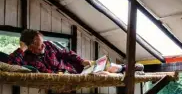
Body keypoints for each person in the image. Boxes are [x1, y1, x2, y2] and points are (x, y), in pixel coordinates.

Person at [8, 29, 144, 74]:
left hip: (74, 68)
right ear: (30, 46)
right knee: (100, 73)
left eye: (42, 43)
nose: (43, 46)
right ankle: (127, 70)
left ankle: (127, 68)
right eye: (39, 46)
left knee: (99, 65)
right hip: (64, 77)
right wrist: (22, 48)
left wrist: (81, 61)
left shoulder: (49, 45)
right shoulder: (24, 56)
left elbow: (67, 53)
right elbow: (11, 66)